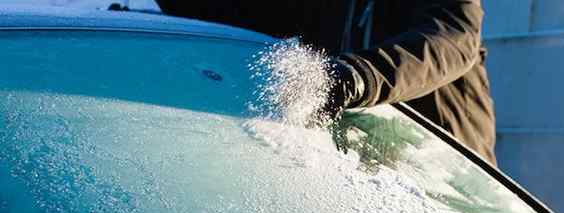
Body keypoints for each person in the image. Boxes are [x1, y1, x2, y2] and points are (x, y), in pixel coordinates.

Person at [156, 0, 496, 165]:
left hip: (450, 166)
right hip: (373, 171)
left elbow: (453, 39)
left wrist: (354, 76)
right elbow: (240, 11)